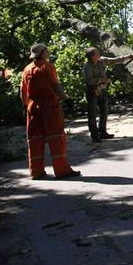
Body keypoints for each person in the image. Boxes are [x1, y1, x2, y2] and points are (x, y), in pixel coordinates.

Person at [20, 44, 80, 180]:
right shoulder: (47, 66)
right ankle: (62, 170)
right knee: (56, 137)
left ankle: (36, 171)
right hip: (49, 106)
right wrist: (67, 99)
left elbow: (23, 91)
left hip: (33, 108)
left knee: (35, 139)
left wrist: (25, 107)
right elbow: (55, 85)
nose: (49, 51)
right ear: (42, 52)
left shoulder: (27, 69)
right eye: (47, 50)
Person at [83, 47, 133, 142]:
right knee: (93, 114)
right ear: (92, 56)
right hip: (92, 91)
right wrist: (103, 80)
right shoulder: (87, 66)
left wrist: (129, 56)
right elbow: (89, 80)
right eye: (97, 53)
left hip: (102, 90)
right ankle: (94, 135)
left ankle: (103, 132)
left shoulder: (102, 61)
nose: (99, 54)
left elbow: (116, 60)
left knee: (104, 112)